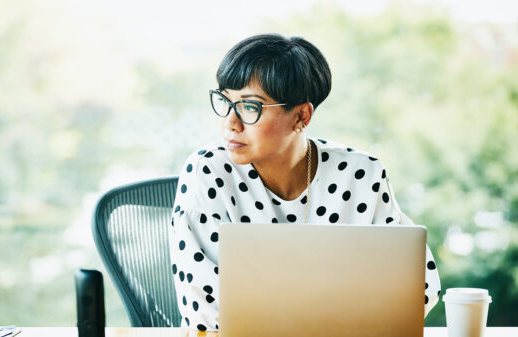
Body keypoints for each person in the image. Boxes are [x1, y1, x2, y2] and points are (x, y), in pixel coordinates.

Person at [168, 33, 441, 332]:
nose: (230, 122)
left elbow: (417, 289)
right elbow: (205, 312)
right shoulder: (207, 172)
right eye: (225, 100)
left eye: (249, 107)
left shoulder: (362, 175)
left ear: (301, 116)